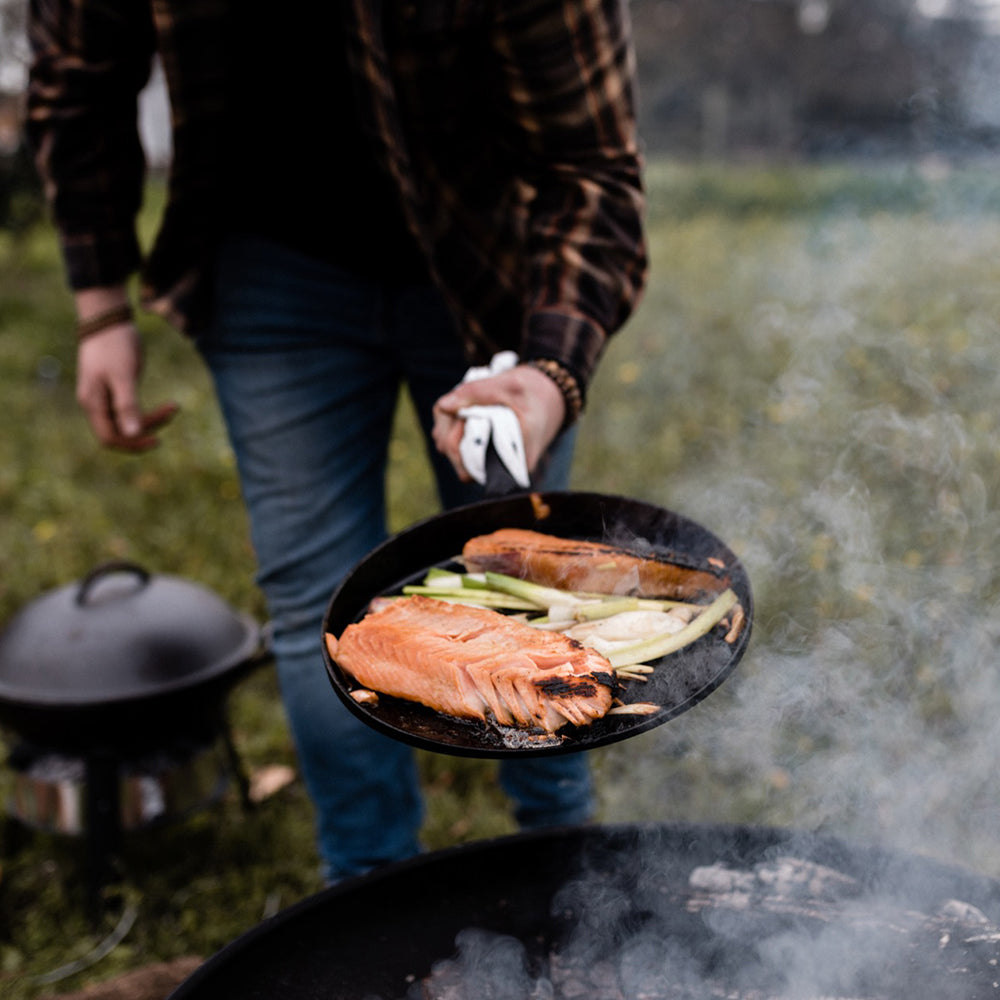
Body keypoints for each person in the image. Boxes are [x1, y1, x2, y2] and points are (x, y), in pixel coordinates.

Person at [26, 0, 648, 883]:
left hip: (485, 259)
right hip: (268, 266)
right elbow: (77, 83)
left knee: (526, 578)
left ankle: (558, 865)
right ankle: (371, 891)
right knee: (321, 602)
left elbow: (590, 163)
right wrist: (100, 308)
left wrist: (549, 371)